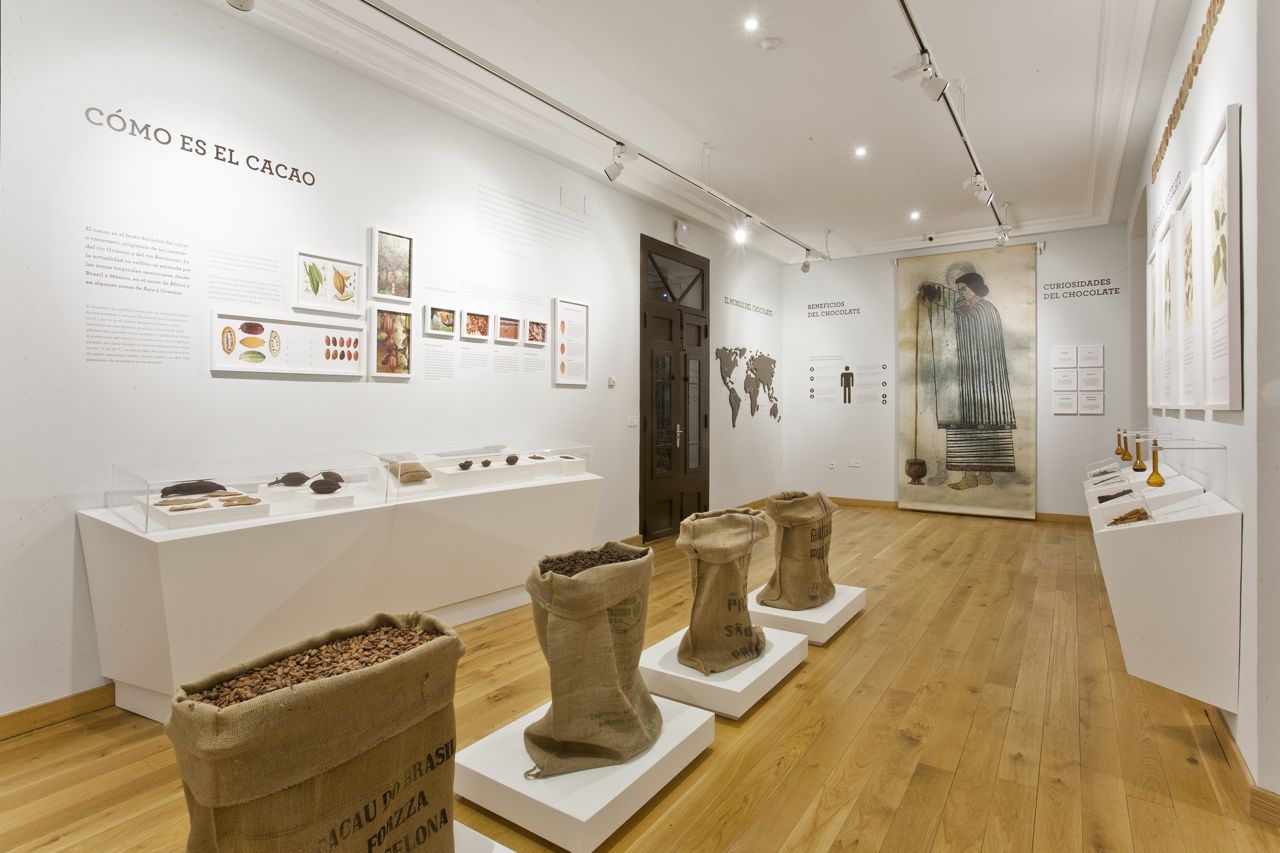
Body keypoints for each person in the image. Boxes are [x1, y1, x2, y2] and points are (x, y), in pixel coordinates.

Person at [918, 266, 1016, 490]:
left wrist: (941, 300)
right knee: (981, 423)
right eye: (960, 289)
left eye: (964, 288)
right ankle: (984, 474)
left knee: (971, 423)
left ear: (974, 287)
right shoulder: (979, 307)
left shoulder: (981, 309)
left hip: (979, 377)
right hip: (981, 377)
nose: (961, 293)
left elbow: (961, 317)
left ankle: (971, 476)